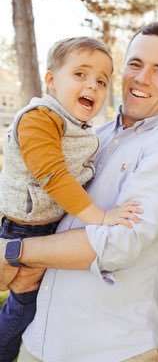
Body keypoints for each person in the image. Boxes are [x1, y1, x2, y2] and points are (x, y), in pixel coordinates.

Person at [0, 22, 158, 362]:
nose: (142, 78)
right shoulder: (96, 135)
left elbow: (117, 244)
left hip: (111, 348)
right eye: (136, 64)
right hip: (40, 340)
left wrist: (13, 250)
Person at [0, 36, 142, 362]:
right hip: (25, 228)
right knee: (23, 304)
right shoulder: (39, 118)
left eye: (101, 81)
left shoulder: (80, 128)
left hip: (48, 226)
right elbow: (54, 177)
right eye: (80, 74)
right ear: (51, 80)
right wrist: (102, 216)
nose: (92, 85)